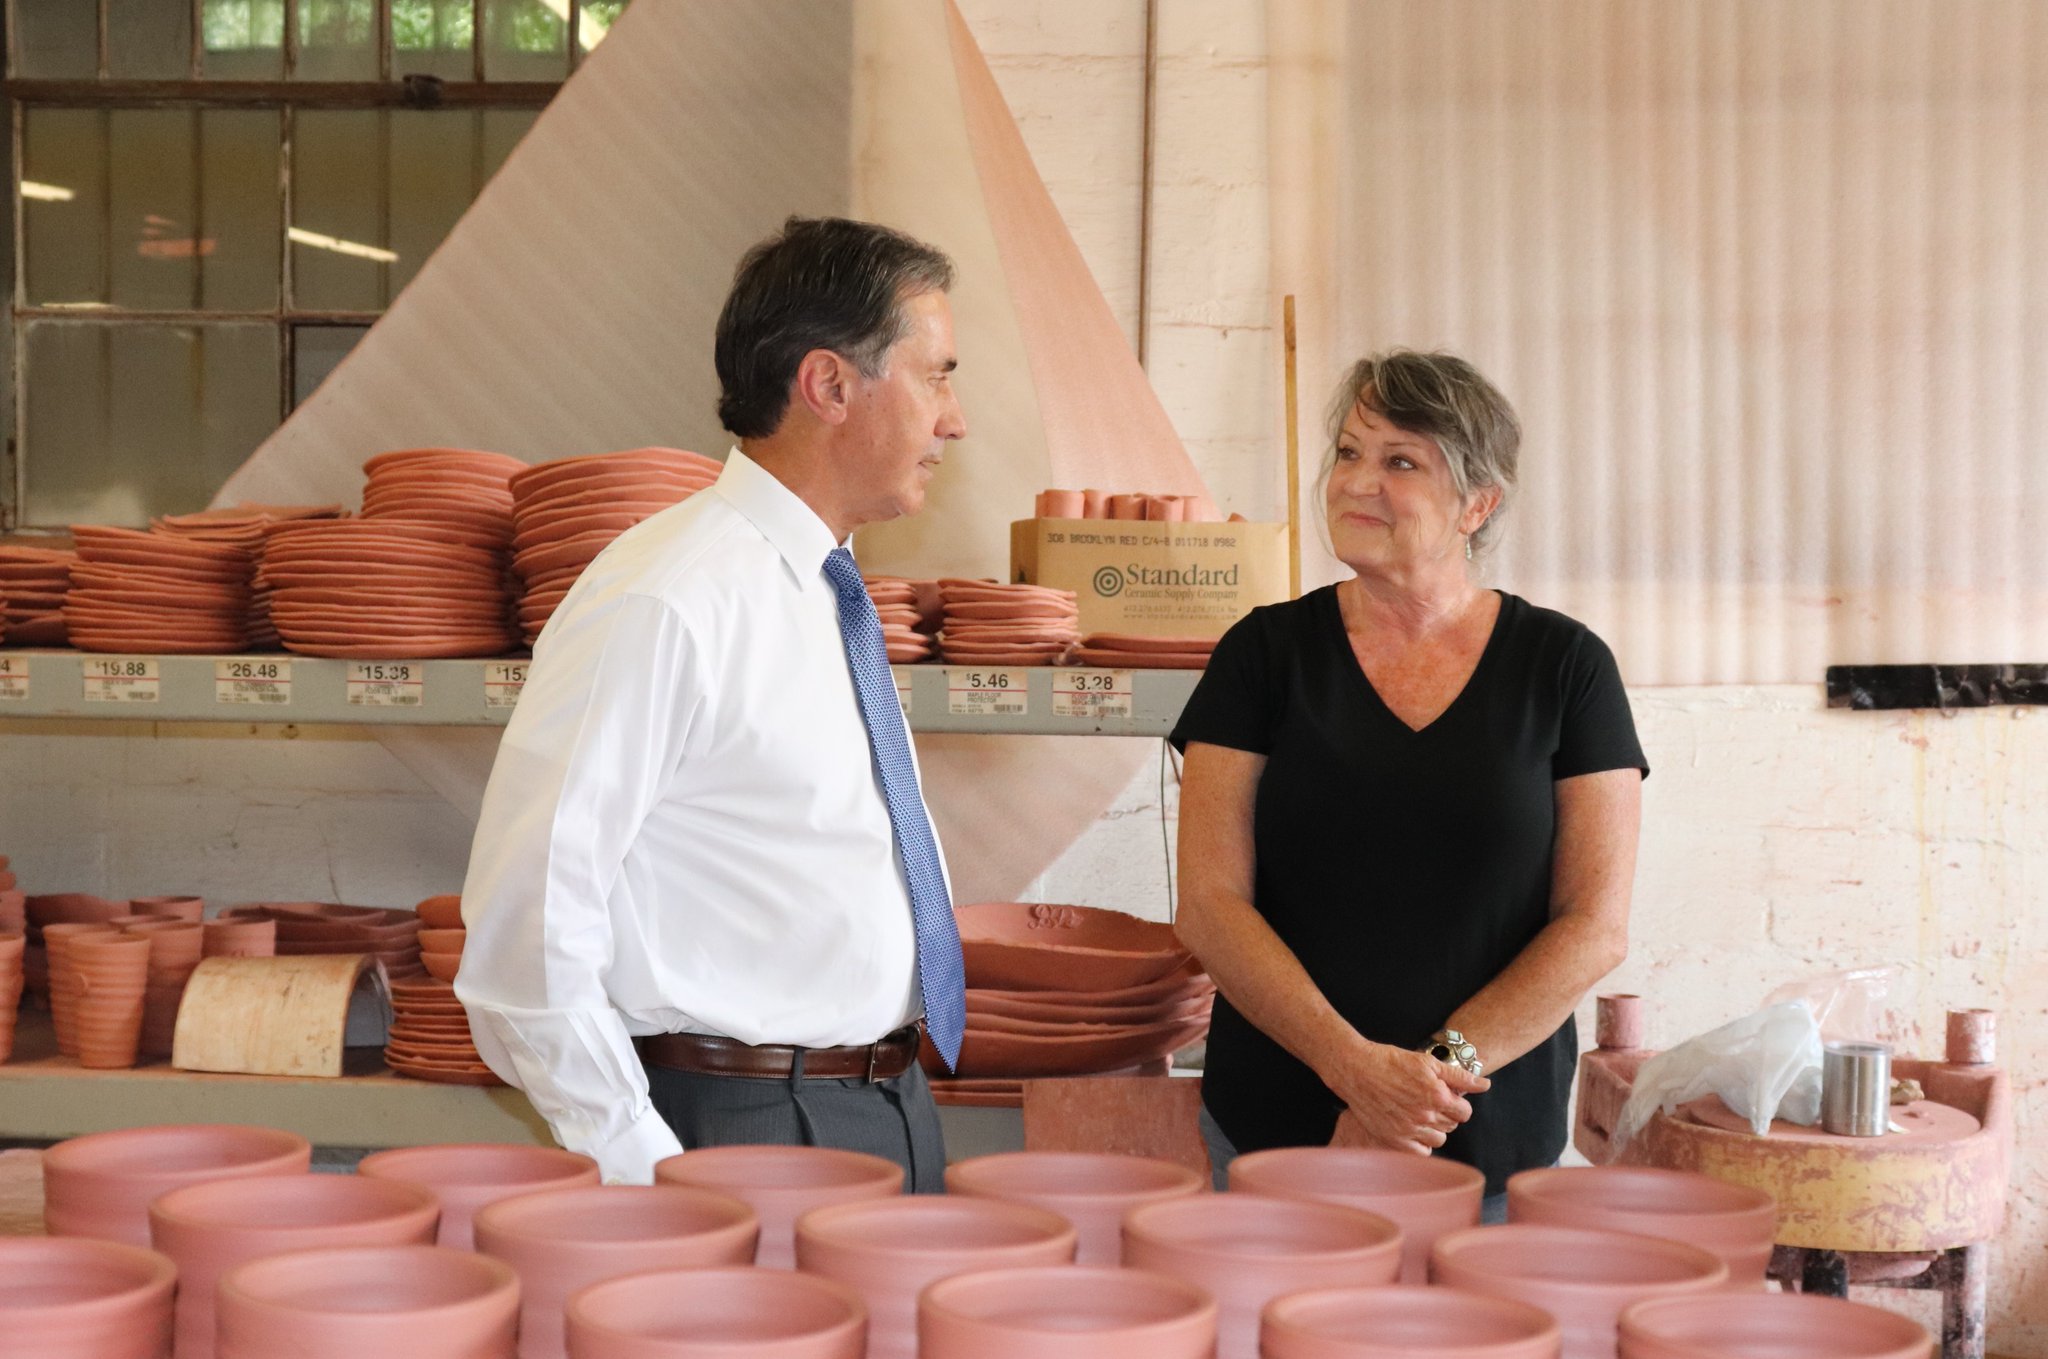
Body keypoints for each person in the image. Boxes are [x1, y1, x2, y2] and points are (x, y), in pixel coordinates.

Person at [457, 216, 970, 1189]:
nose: (954, 418)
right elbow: (526, 927)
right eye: (937, 374)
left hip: (885, 1103)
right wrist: (639, 1164)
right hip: (743, 1127)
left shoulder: (827, 589)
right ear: (828, 385)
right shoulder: (666, 598)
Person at [1170, 349, 1646, 1215]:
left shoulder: (1566, 667)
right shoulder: (1263, 655)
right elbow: (1208, 903)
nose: (1358, 483)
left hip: (1488, 1145)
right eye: (1349, 453)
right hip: (1278, 1129)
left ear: (1478, 503)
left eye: (1400, 462)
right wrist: (1356, 1072)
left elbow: (1593, 926)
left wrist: (1416, 1092)